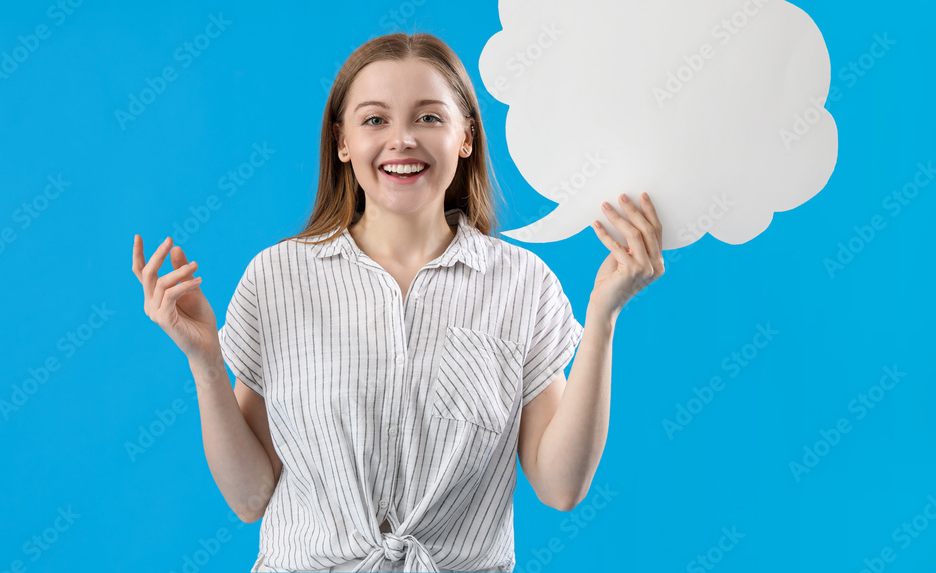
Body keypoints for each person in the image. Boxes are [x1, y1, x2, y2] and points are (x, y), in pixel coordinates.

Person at [131, 32, 665, 572]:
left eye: (429, 118)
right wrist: (204, 360)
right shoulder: (276, 278)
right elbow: (250, 499)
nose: (402, 139)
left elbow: (560, 487)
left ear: (466, 138)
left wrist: (603, 314)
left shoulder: (524, 286)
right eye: (375, 120)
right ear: (342, 142)